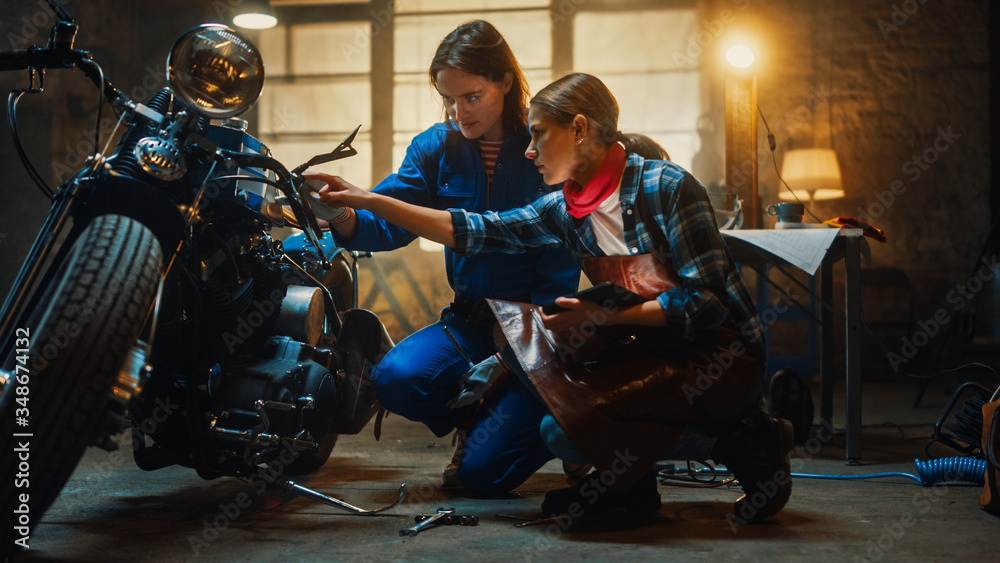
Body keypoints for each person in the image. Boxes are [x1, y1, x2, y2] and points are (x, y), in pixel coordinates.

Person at [309, 72, 794, 524]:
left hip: (720, 356)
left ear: (580, 129)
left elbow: (708, 303)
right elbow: (474, 230)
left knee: (574, 427)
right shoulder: (565, 208)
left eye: (539, 134)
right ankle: (633, 490)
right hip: (650, 352)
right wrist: (366, 200)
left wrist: (602, 313)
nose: (529, 150)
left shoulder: (666, 186)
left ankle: (747, 438)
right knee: (558, 429)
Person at [291, 20, 581, 493]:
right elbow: (388, 219)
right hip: (468, 320)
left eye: (471, 97)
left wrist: (523, 345)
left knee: (479, 480)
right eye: (448, 99)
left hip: (537, 328)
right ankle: (481, 413)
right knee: (397, 379)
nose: (458, 111)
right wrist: (341, 214)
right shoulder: (435, 146)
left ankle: (556, 420)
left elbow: (560, 253)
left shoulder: (542, 147)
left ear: (505, 82)